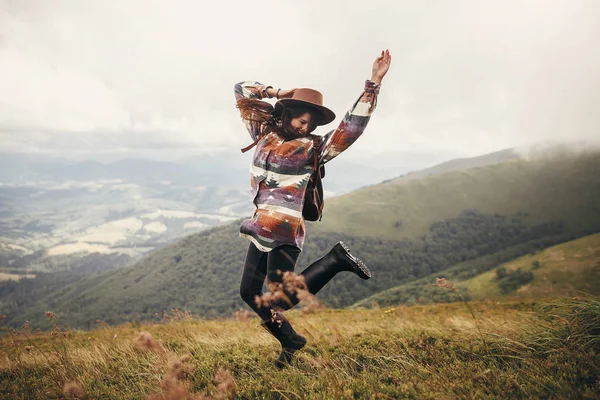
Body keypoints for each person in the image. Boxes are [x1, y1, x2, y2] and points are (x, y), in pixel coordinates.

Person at [234, 49, 392, 368]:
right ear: (288, 111)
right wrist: (279, 92)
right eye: (300, 118)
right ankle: (290, 340)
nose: (305, 126)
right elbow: (241, 90)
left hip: (284, 234)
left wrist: (373, 84)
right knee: (248, 292)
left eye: (310, 123)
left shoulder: (312, 149)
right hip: (258, 228)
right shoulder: (262, 133)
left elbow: (351, 128)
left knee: (279, 300)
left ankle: (334, 260)